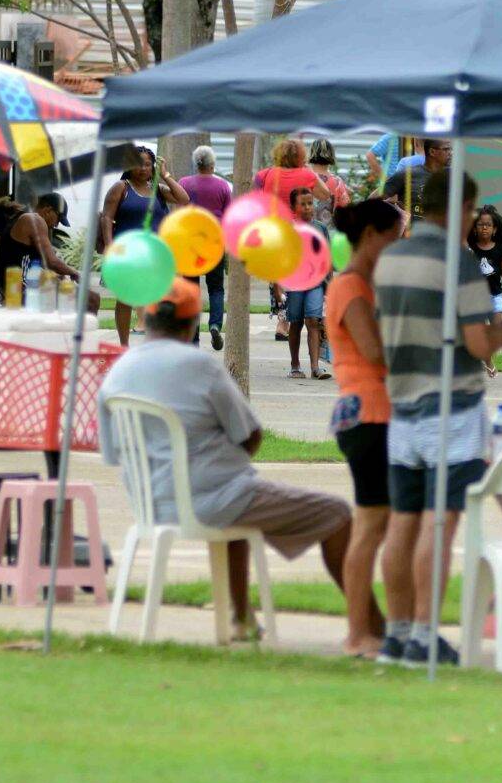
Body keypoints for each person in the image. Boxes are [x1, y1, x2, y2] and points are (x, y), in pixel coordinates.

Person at [98, 280, 372, 645]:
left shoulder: (117, 372)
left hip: (151, 504)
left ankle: (240, 617)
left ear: (145, 319)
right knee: (337, 514)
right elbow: (250, 436)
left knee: (235, 503)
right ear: (192, 322)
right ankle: (371, 625)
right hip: (216, 500)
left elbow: (114, 453)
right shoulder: (199, 365)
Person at [375, 169, 502, 667]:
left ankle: (394, 635)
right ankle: (423, 634)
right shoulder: (459, 262)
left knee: (403, 523)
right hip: (451, 407)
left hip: (403, 403)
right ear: (456, 208)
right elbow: (479, 341)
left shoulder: (390, 259)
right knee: (439, 524)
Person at [327, 199, 405, 658]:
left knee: (382, 524)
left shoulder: (368, 284)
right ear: (372, 235)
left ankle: (374, 626)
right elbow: (375, 352)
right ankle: (358, 632)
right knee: (371, 526)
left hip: (380, 412)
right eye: (394, 237)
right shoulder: (352, 286)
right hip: (369, 413)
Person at [100, 145, 188, 344]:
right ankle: (123, 344)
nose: (143, 168)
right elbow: (107, 217)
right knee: (125, 298)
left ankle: (153, 342)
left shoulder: (157, 189)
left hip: (154, 255)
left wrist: (165, 176)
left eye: (148, 164)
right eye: (138, 164)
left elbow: (183, 199)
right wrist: (108, 245)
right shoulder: (121, 187)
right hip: (127, 254)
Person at [255, 139, 334, 342]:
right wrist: (311, 174)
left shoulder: (269, 174)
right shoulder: (306, 174)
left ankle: (283, 323)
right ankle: (302, 318)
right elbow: (326, 194)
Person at [177, 145, 233, 350]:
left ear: (196, 163)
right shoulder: (223, 187)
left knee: (191, 290)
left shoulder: (184, 183)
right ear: (213, 164)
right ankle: (215, 325)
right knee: (216, 288)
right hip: (213, 242)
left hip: (191, 243)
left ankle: (192, 339)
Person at [0, 191, 81, 302]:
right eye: (58, 219)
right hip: (18, 292)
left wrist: (59, 275)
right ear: (48, 210)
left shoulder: (23, 219)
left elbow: (38, 264)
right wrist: (74, 273)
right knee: (90, 299)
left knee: (77, 295)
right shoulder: (34, 220)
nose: (56, 225)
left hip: (14, 289)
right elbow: (52, 262)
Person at [281, 187, 329, 381]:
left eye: (311, 203)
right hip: (295, 284)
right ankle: (295, 365)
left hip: (316, 283)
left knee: (313, 321)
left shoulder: (320, 228)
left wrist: (329, 287)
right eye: (303, 204)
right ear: (293, 207)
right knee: (296, 323)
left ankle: (316, 367)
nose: (308, 207)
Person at [469, 205, 502, 379]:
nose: (484, 228)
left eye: (488, 225)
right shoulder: (470, 246)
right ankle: (486, 362)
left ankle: (486, 359)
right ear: (474, 228)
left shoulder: (499, 248)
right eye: (480, 225)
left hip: (495, 295)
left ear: (494, 229)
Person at [380, 138, 451, 213]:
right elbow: (374, 200)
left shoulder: (454, 177)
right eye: (446, 149)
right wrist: (396, 214)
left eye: (451, 149)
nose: (450, 153)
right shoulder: (407, 174)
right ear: (432, 152)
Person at [306, 137, 351, 225]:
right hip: (327, 231)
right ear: (331, 155)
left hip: (306, 230)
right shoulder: (337, 181)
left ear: (311, 153)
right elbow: (345, 207)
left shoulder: (304, 178)